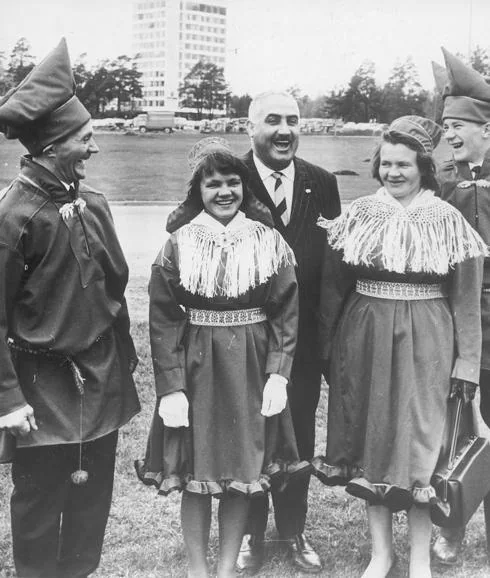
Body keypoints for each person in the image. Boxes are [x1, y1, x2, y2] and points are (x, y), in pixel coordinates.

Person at [313, 116, 486, 578]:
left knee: (421, 444)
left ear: (423, 167)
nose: (393, 172)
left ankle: (421, 560)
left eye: (403, 164)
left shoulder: (447, 218)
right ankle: (381, 554)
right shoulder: (359, 215)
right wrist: (329, 349)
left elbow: (466, 297)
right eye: (386, 163)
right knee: (375, 440)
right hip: (365, 334)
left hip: (429, 337)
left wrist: (468, 362)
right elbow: (334, 288)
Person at [135, 137, 310, 578]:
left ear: (245, 187)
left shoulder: (268, 240)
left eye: (233, 182)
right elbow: (162, 318)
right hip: (197, 367)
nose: (225, 192)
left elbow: (286, 311)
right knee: (197, 473)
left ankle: (227, 567)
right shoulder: (179, 243)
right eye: (213, 184)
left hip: (251, 366)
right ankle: (198, 568)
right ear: (198, 190)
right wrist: (171, 386)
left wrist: (279, 373)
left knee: (240, 475)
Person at [0, 39, 140, 578]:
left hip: (99, 385)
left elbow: (114, 291)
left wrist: (122, 361)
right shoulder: (14, 218)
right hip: (40, 392)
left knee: (91, 506)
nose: (94, 148)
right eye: (85, 138)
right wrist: (8, 399)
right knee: (39, 509)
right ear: (54, 144)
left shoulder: (93, 204)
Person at [237, 90, 341, 574]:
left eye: (293, 120)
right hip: (244, 342)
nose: (284, 130)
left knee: (297, 435)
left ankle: (294, 532)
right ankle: (249, 536)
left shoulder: (322, 183)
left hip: (302, 346)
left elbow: (331, 273)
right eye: (272, 120)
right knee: (249, 436)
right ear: (250, 127)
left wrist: (326, 344)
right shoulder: (226, 179)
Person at [430, 48, 490, 566]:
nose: (448, 134)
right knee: (456, 430)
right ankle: (452, 528)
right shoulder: (446, 183)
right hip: (457, 329)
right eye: (445, 125)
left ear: (486, 129)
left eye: (456, 125)